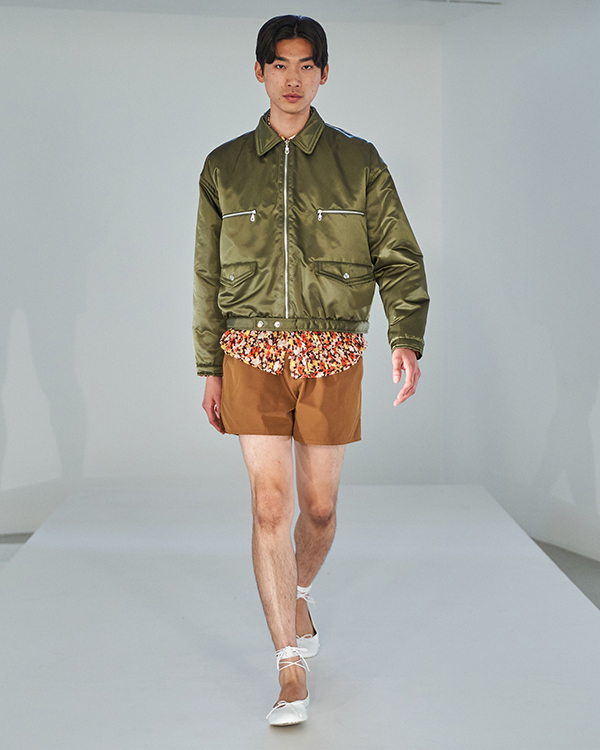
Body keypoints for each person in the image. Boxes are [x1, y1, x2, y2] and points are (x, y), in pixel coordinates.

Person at [193, 14, 429, 726]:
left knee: (318, 510)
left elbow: (398, 255)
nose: (292, 79)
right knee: (270, 506)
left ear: (323, 73)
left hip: (332, 354)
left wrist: (406, 337)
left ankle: (296, 590)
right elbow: (206, 275)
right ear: (259, 71)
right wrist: (209, 364)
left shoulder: (359, 161)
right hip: (250, 352)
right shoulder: (224, 166)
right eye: (279, 65)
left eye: (305, 65)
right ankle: (288, 665)